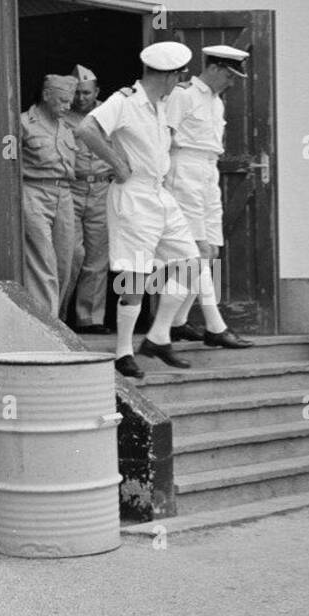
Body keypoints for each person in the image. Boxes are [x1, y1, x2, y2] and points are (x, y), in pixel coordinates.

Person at [74, 41, 203, 380]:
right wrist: (116, 162)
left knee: (192, 264)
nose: (180, 82)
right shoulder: (124, 101)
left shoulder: (159, 103)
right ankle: (123, 352)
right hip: (133, 196)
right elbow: (86, 128)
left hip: (159, 194)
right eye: (179, 75)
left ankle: (158, 337)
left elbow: (190, 96)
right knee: (135, 277)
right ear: (169, 75)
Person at [162, 45, 253, 348]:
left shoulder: (216, 103)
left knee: (210, 249)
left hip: (208, 170)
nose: (231, 82)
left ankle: (177, 322)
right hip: (184, 169)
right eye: (228, 75)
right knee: (196, 250)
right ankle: (216, 326)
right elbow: (163, 137)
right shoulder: (183, 94)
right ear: (213, 69)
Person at [20, 74, 78, 317]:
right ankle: (47, 324)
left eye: (69, 101)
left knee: (67, 261)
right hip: (34, 191)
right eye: (62, 101)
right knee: (43, 261)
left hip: (64, 194)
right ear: (46, 96)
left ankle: (56, 318)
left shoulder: (67, 127)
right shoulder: (22, 123)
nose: (67, 106)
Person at [63, 64, 113, 333]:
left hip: (103, 189)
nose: (81, 98)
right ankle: (58, 315)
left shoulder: (111, 112)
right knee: (71, 254)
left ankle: (89, 319)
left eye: (87, 93)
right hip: (71, 188)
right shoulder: (60, 115)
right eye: (77, 93)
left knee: (97, 258)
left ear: (97, 91)